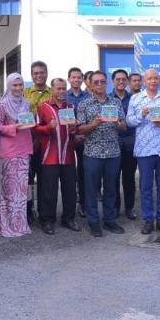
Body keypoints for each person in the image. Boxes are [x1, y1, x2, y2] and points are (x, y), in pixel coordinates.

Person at [126, 69, 160, 234]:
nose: (153, 81)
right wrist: (141, 114)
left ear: (159, 80)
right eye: (149, 79)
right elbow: (129, 121)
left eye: (155, 78)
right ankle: (148, 220)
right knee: (145, 186)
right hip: (144, 149)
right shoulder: (135, 98)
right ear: (144, 81)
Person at [77, 71, 128, 236]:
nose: (100, 85)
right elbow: (80, 129)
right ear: (90, 85)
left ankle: (109, 220)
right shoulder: (84, 104)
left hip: (113, 153)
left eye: (102, 82)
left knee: (111, 189)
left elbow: (124, 126)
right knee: (91, 190)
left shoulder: (115, 102)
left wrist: (117, 122)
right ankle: (93, 222)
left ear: (107, 83)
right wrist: (94, 123)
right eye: (96, 82)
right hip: (92, 153)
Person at [34, 78, 79, 234]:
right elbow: (35, 128)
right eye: (58, 88)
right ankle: (47, 220)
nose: (61, 91)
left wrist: (74, 129)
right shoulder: (43, 107)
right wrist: (48, 127)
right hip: (49, 156)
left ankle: (69, 218)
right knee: (48, 190)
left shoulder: (71, 107)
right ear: (52, 90)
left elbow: (74, 131)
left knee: (70, 189)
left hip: (68, 155)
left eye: (63, 88)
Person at [0, 72, 33, 238]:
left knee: (21, 190)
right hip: (8, 151)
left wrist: (31, 123)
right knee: (8, 189)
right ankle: (6, 225)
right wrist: (13, 128)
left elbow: (29, 121)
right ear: (9, 86)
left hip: (24, 149)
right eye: (14, 85)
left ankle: (20, 224)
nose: (18, 88)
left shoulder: (26, 102)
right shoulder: (2, 104)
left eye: (20, 85)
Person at [24, 61, 52, 222]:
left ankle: (44, 213)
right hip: (26, 142)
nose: (39, 75)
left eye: (42, 72)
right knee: (27, 180)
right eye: (35, 73)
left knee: (44, 180)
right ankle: (28, 210)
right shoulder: (24, 93)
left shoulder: (53, 93)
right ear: (32, 75)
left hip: (47, 143)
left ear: (46, 74)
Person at [110, 69, 137, 220]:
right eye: (117, 79)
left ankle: (129, 208)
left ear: (127, 81)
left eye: (123, 79)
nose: (120, 82)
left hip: (130, 143)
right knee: (113, 177)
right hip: (112, 143)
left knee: (129, 178)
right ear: (112, 81)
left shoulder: (134, 99)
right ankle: (115, 208)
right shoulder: (107, 99)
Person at [67, 67, 90, 217]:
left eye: (78, 77)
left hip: (83, 138)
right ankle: (70, 203)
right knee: (69, 173)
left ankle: (83, 203)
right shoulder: (64, 95)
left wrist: (81, 134)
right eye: (73, 77)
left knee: (83, 172)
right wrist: (73, 134)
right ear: (69, 79)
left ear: (82, 79)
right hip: (68, 139)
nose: (76, 80)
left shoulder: (88, 96)